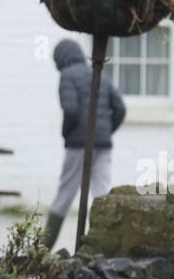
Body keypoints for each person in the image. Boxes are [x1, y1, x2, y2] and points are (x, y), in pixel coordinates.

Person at [44, 38, 126, 248]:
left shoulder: (67, 76)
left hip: (78, 144)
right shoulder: (99, 75)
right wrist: (106, 131)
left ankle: (42, 248)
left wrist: (66, 134)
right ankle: (101, 249)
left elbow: (70, 110)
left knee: (64, 195)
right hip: (103, 145)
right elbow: (120, 109)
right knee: (102, 196)